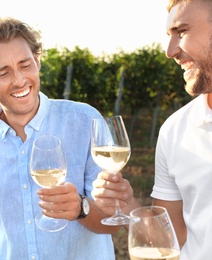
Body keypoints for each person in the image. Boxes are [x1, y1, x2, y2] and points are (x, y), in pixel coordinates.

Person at [0, 17, 121, 260]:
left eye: (25, 65)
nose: (19, 80)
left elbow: (113, 221)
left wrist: (81, 209)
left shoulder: (85, 121)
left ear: (37, 61)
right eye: (4, 72)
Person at [91, 0, 212, 259]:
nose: (170, 51)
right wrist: (125, 204)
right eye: (169, 36)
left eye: (182, 31)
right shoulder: (175, 131)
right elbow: (171, 240)